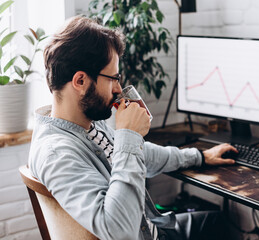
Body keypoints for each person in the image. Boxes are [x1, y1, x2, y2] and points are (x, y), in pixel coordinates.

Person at [28, 16, 237, 240]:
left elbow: (142, 155)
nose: (118, 88)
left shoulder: (87, 122)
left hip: (151, 228)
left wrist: (199, 157)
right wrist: (129, 135)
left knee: (215, 221)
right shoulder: (57, 154)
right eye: (113, 78)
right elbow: (118, 230)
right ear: (80, 81)